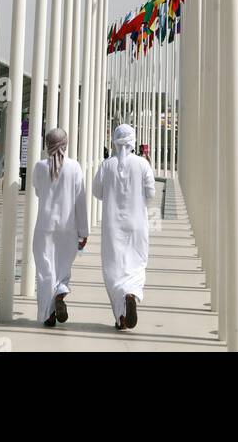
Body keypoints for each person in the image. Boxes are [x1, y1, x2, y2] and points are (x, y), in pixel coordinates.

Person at [93, 123, 156, 331]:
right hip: (137, 223)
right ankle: (131, 293)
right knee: (136, 263)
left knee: (113, 267)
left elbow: (97, 193)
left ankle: (120, 316)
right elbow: (151, 194)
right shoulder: (143, 164)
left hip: (113, 225)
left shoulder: (106, 164)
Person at [32, 128, 88, 328]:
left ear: (47, 144)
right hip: (68, 226)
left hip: (44, 226)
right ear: (66, 143)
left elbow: (38, 192)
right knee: (63, 267)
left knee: (45, 270)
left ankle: (48, 314)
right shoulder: (74, 167)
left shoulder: (39, 166)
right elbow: (80, 201)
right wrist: (83, 232)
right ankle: (61, 290)